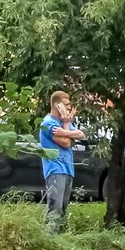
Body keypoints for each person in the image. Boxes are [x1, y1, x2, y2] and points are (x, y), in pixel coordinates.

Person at [38, 90, 83, 233]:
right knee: (55, 208)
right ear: (57, 105)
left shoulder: (63, 123)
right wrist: (68, 132)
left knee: (63, 208)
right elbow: (65, 144)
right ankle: (48, 239)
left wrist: (65, 128)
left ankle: (59, 240)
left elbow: (81, 135)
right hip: (55, 168)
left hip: (67, 169)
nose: (70, 107)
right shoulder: (48, 123)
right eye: (67, 104)